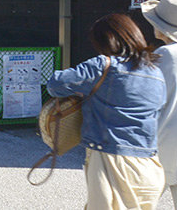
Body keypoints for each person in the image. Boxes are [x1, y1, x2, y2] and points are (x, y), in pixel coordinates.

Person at [47, 14, 166, 210]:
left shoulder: (104, 65)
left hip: (112, 161)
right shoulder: (156, 72)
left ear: (106, 41)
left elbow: (56, 84)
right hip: (149, 164)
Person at [142, 0, 177, 209]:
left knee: (140, 202)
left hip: (163, 146)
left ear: (161, 27)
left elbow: (144, 96)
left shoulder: (165, 54)